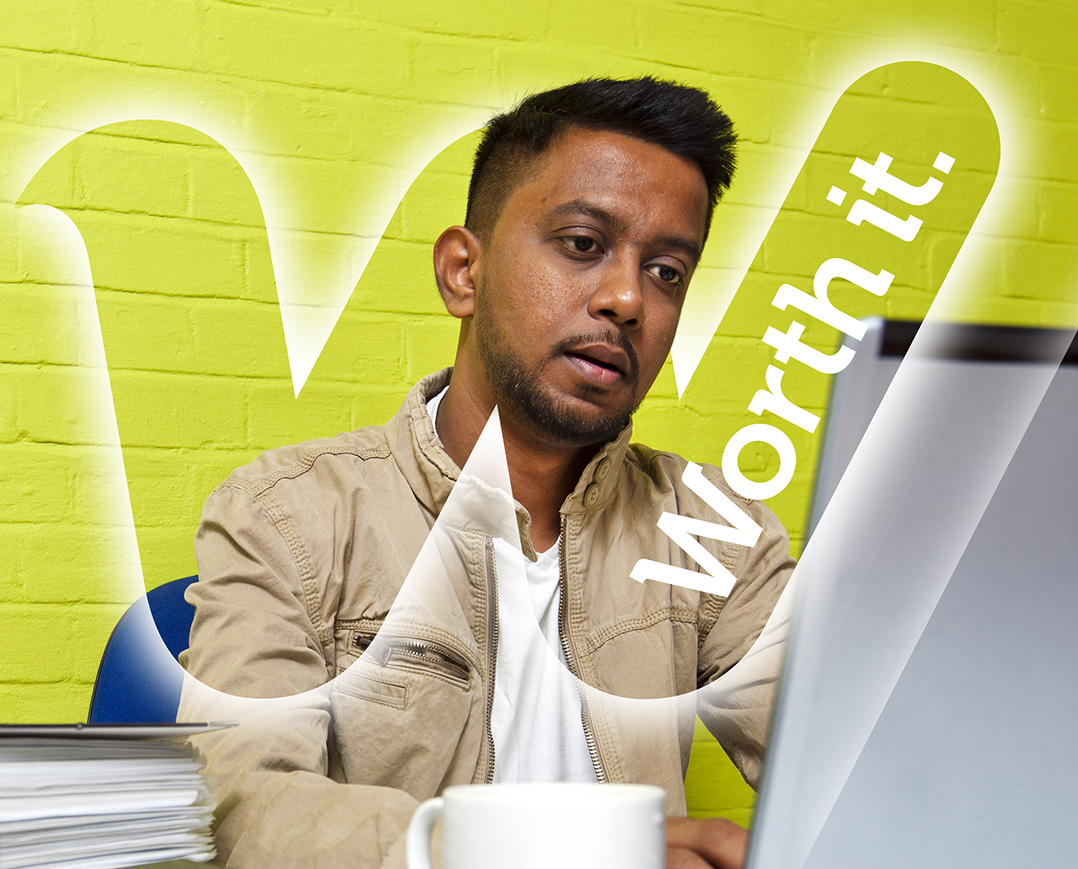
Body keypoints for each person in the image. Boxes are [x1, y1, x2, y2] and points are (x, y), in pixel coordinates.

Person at [179, 76, 794, 869]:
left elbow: (855, 763)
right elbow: (241, 808)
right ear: (462, 273)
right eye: (583, 244)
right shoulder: (289, 515)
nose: (627, 298)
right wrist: (568, 852)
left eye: (667, 270)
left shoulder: (713, 533)